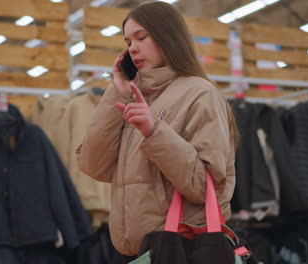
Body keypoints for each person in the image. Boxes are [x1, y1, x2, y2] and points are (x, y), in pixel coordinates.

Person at [76, 1, 239, 262]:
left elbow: (205, 186)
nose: (133, 49)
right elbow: (92, 166)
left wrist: (155, 133)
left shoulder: (200, 94)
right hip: (132, 253)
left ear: (168, 37)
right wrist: (116, 92)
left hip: (181, 250)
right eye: (128, 42)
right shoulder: (135, 96)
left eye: (141, 37)